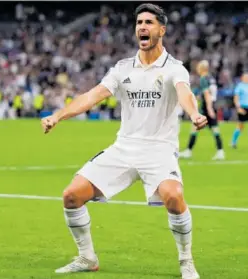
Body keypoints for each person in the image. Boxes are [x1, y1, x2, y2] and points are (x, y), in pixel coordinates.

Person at [41, 4, 206, 279]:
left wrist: (194, 113)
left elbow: (184, 92)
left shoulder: (174, 68)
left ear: (161, 30)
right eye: (139, 22)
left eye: (149, 22)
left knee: (175, 197)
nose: (142, 26)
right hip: (123, 148)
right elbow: (93, 95)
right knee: (71, 195)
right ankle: (87, 257)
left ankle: (186, 260)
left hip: (159, 150)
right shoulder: (122, 68)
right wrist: (58, 115)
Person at [179, 60, 224, 160]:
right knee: (215, 129)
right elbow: (209, 93)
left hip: (206, 107)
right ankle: (220, 152)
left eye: (198, 67)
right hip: (213, 105)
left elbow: (207, 94)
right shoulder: (211, 78)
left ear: (201, 68)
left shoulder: (203, 79)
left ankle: (188, 151)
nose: (197, 69)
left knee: (195, 127)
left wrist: (209, 108)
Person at [231, 72, 248, 150]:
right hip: (242, 107)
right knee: (240, 127)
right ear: (242, 78)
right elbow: (236, 98)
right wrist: (238, 108)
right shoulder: (239, 86)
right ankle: (233, 142)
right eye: (246, 77)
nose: (247, 78)